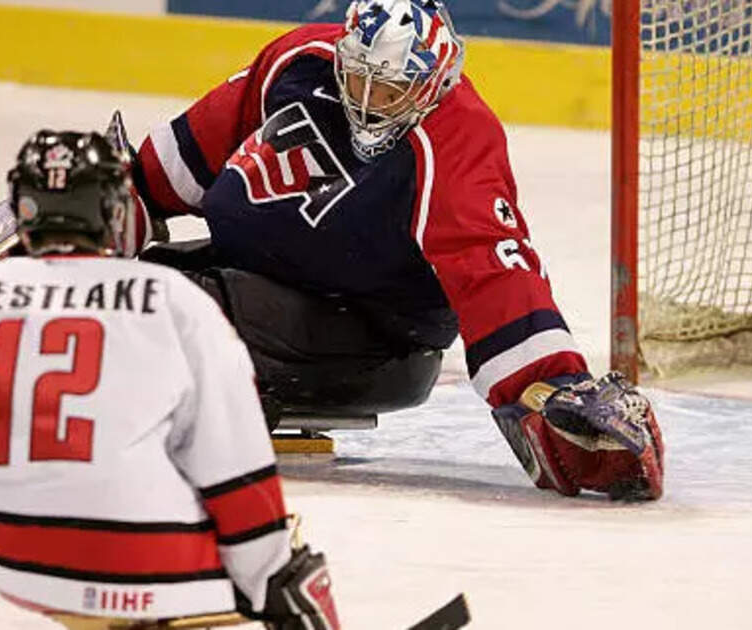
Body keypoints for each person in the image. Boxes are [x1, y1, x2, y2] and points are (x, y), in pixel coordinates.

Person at [0, 131, 340, 629]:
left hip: (14, 559)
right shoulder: (177, 302)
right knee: (285, 563)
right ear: (113, 212)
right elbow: (236, 472)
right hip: (140, 561)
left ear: (22, 211)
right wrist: (272, 580)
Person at [109, 0, 665, 501]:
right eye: (359, 80)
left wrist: (555, 389)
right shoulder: (301, 61)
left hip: (370, 334)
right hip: (271, 278)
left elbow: (493, 271)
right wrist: (110, 202)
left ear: (430, 85)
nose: (369, 102)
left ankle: (159, 405)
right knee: (139, 286)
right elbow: (194, 148)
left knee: (170, 308)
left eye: (391, 90)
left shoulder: (455, 139)